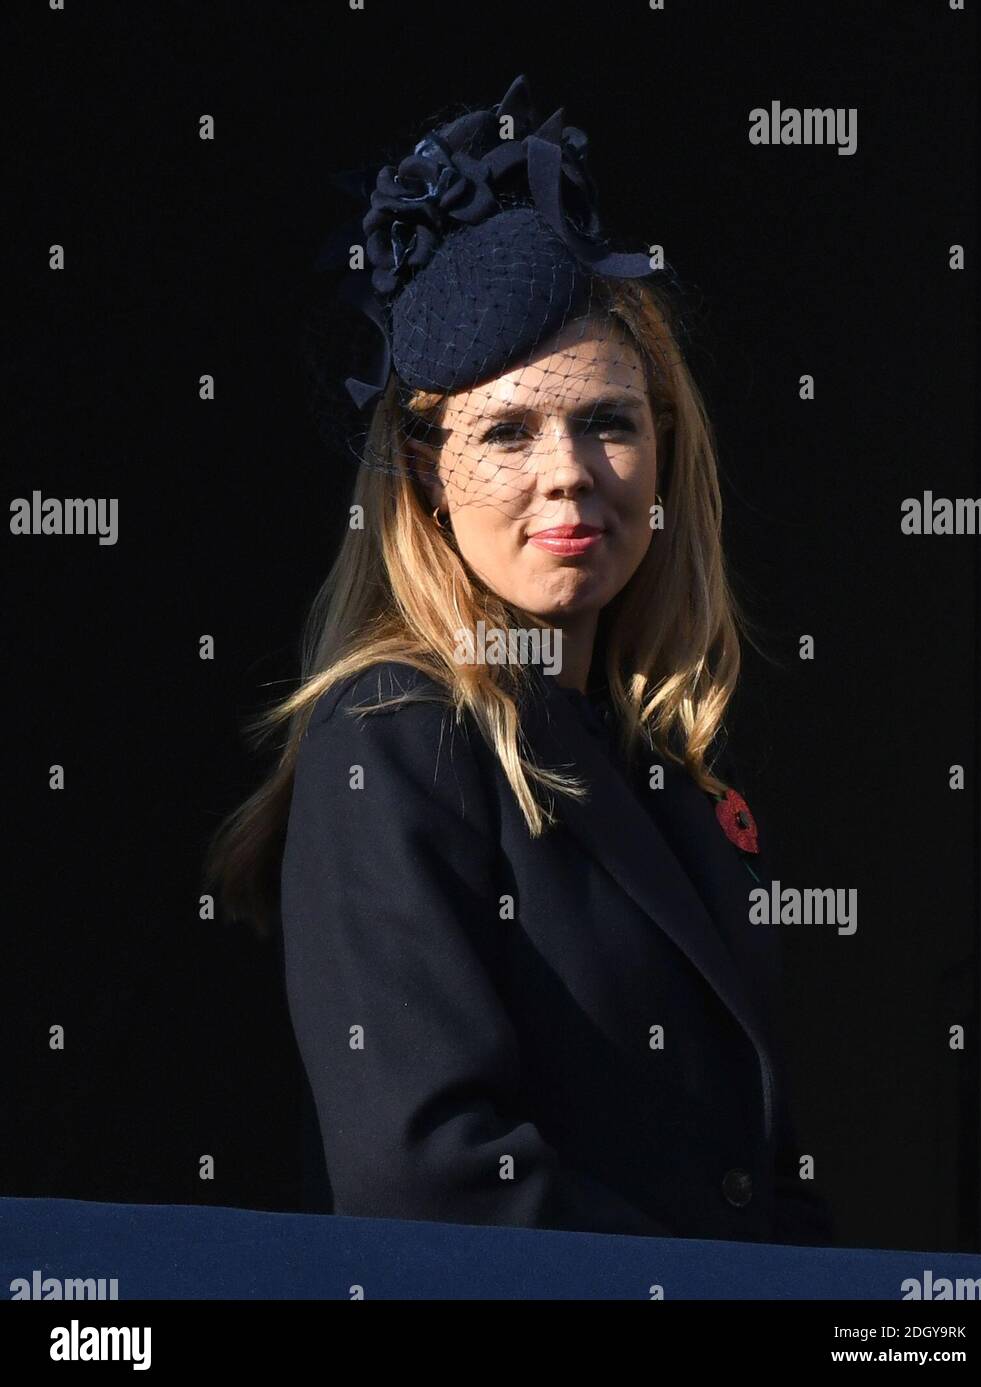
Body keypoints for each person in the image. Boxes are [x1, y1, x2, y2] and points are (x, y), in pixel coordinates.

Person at [205, 74, 835, 1244]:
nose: (567, 473)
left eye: (606, 421)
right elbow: (428, 1177)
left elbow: (757, 1176)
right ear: (425, 475)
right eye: (505, 431)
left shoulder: (668, 764)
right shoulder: (394, 733)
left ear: (663, 450)